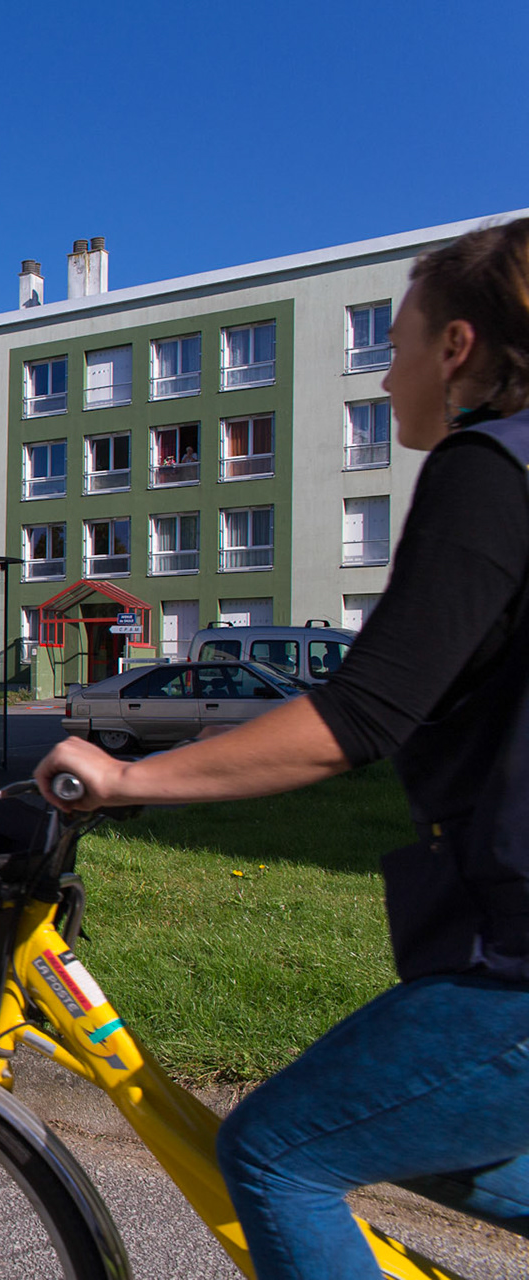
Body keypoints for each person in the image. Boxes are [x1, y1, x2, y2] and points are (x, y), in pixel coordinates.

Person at [34, 216, 529, 1280]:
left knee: (276, 1152)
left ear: (458, 350)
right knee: (431, 1137)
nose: (387, 376)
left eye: (395, 346)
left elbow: (358, 717)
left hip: (521, 961)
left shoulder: (487, 470)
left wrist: (127, 774)